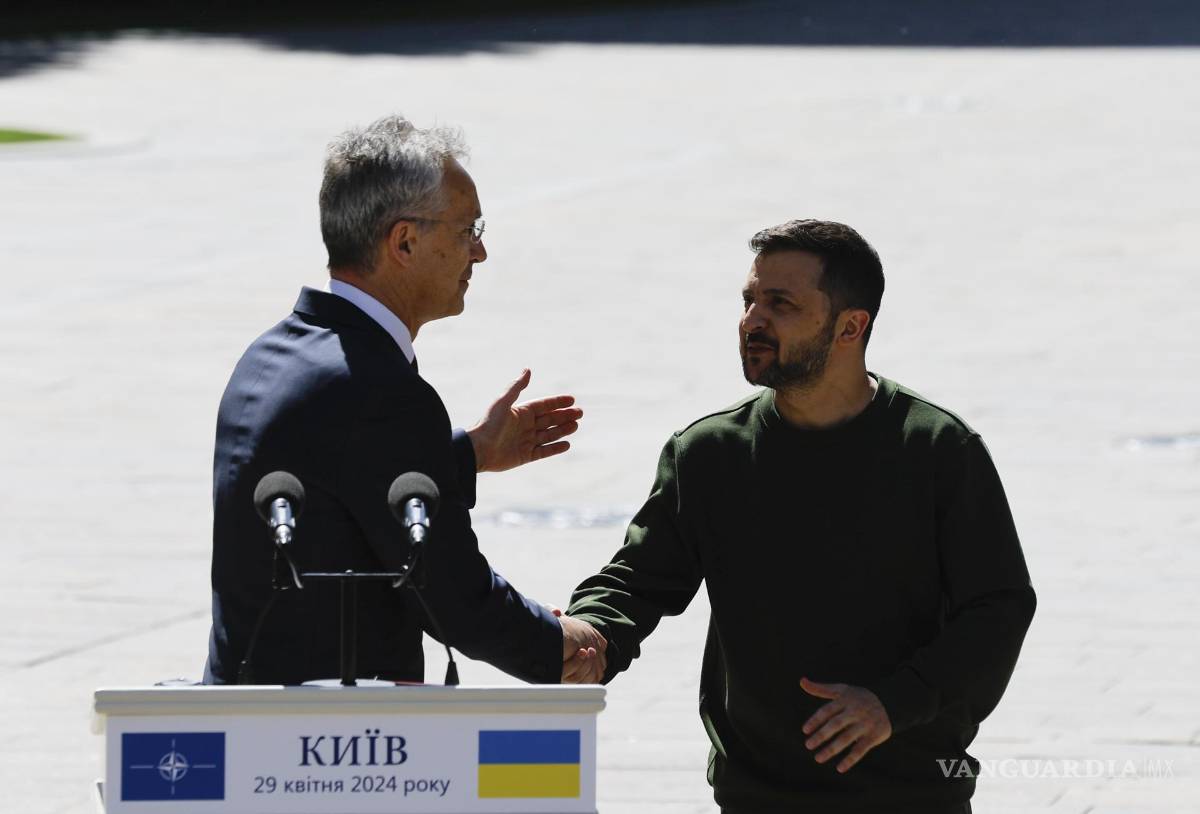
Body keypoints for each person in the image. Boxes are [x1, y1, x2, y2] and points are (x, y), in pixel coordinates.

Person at [565, 220, 1036, 813]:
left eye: (780, 304)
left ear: (850, 327)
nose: (752, 321)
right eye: (749, 300)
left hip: (909, 796)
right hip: (754, 796)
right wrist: (593, 632)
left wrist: (895, 703)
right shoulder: (710, 452)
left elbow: (999, 608)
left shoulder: (938, 450)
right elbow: (639, 578)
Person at [204, 115, 605, 686]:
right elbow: (448, 592)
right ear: (405, 241)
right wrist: (555, 643)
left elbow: (340, 478)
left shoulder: (271, 355)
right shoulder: (382, 392)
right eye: (469, 229)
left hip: (249, 728)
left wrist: (467, 454)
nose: (482, 251)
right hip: (333, 749)